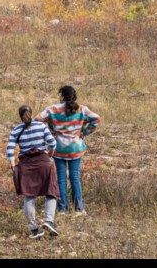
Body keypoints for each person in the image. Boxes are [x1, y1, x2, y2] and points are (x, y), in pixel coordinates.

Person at [37, 86, 101, 216]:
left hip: (59, 147)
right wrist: (84, 132)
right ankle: (79, 208)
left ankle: (62, 208)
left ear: (62, 96)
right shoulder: (82, 109)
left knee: (61, 178)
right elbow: (96, 119)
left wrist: (50, 131)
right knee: (74, 177)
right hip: (76, 147)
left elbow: (37, 119)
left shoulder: (53, 109)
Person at [7, 105, 59, 238]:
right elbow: (52, 143)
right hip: (43, 162)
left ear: (20, 116)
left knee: (29, 196)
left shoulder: (16, 130)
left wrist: (14, 167)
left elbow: (10, 150)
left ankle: (34, 229)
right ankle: (49, 221)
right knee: (51, 192)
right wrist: (50, 156)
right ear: (31, 113)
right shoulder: (41, 126)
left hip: (26, 164)